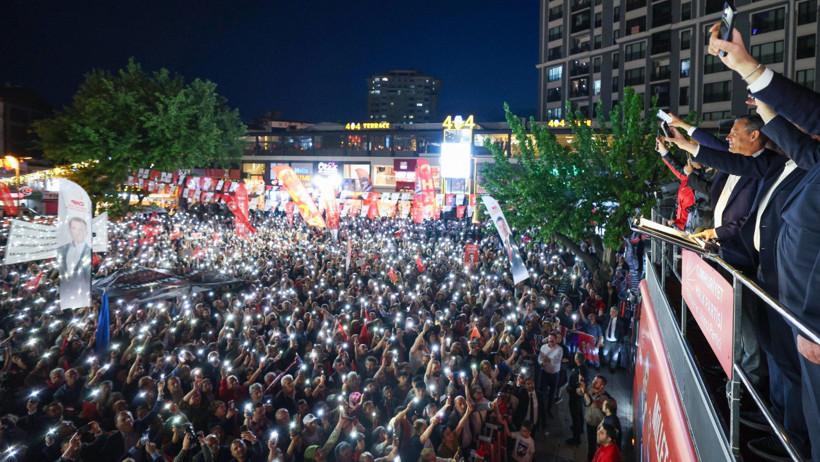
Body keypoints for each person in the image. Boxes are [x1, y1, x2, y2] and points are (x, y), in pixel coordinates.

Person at [708, 20, 820, 461]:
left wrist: (752, 69)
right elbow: (797, 138)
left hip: (807, 313)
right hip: (784, 296)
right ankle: (786, 432)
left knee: (805, 396)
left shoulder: (796, 158)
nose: (732, 138)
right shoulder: (803, 158)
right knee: (787, 379)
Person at [56, 216, 92, 309]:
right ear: (69, 231)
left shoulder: (91, 252)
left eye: (81, 229)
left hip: (82, 297)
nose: (78, 232)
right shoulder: (61, 250)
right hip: (65, 296)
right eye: (74, 228)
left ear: (86, 232)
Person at [581, 375, 611, 462]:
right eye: (594, 380)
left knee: (598, 446)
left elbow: (593, 404)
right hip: (589, 422)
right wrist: (581, 385)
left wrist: (584, 392)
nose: (593, 382)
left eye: (597, 382)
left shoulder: (604, 398)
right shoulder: (590, 388)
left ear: (602, 386)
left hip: (598, 426)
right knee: (590, 444)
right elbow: (579, 392)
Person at [600, 308, 625, 374]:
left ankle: (612, 367)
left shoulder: (620, 322)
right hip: (607, 340)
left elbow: (622, 333)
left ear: (617, 312)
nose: (612, 313)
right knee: (605, 353)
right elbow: (599, 318)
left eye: (614, 312)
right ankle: (606, 362)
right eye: (611, 311)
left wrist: (620, 342)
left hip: (615, 341)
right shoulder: (607, 317)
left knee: (615, 355)